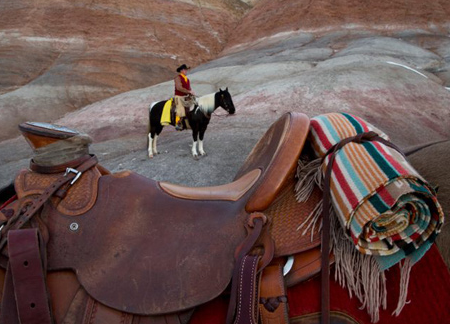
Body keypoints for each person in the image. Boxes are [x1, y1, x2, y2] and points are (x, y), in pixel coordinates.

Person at [174, 64, 195, 130]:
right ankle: (178, 123)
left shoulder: (187, 79)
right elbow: (179, 88)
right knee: (180, 109)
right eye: (185, 70)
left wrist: (191, 92)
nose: (186, 71)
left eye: (186, 70)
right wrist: (188, 92)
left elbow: (189, 88)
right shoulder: (178, 78)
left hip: (186, 96)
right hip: (179, 96)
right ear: (181, 70)